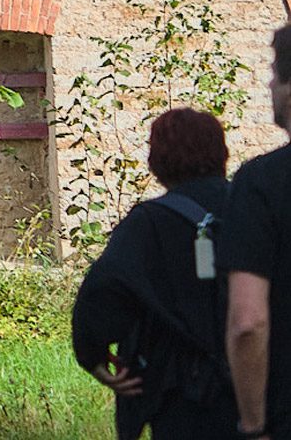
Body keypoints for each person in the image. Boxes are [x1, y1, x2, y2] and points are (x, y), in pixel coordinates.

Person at [75, 107, 236, 439]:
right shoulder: (252, 206)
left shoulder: (147, 223)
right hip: (263, 379)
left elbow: (101, 295)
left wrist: (94, 357)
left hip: (180, 393)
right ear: (222, 153)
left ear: (157, 161)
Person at [223, 26, 291, 440]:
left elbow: (248, 321)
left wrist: (253, 425)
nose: (267, 84)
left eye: (274, 73)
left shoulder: (261, 183)